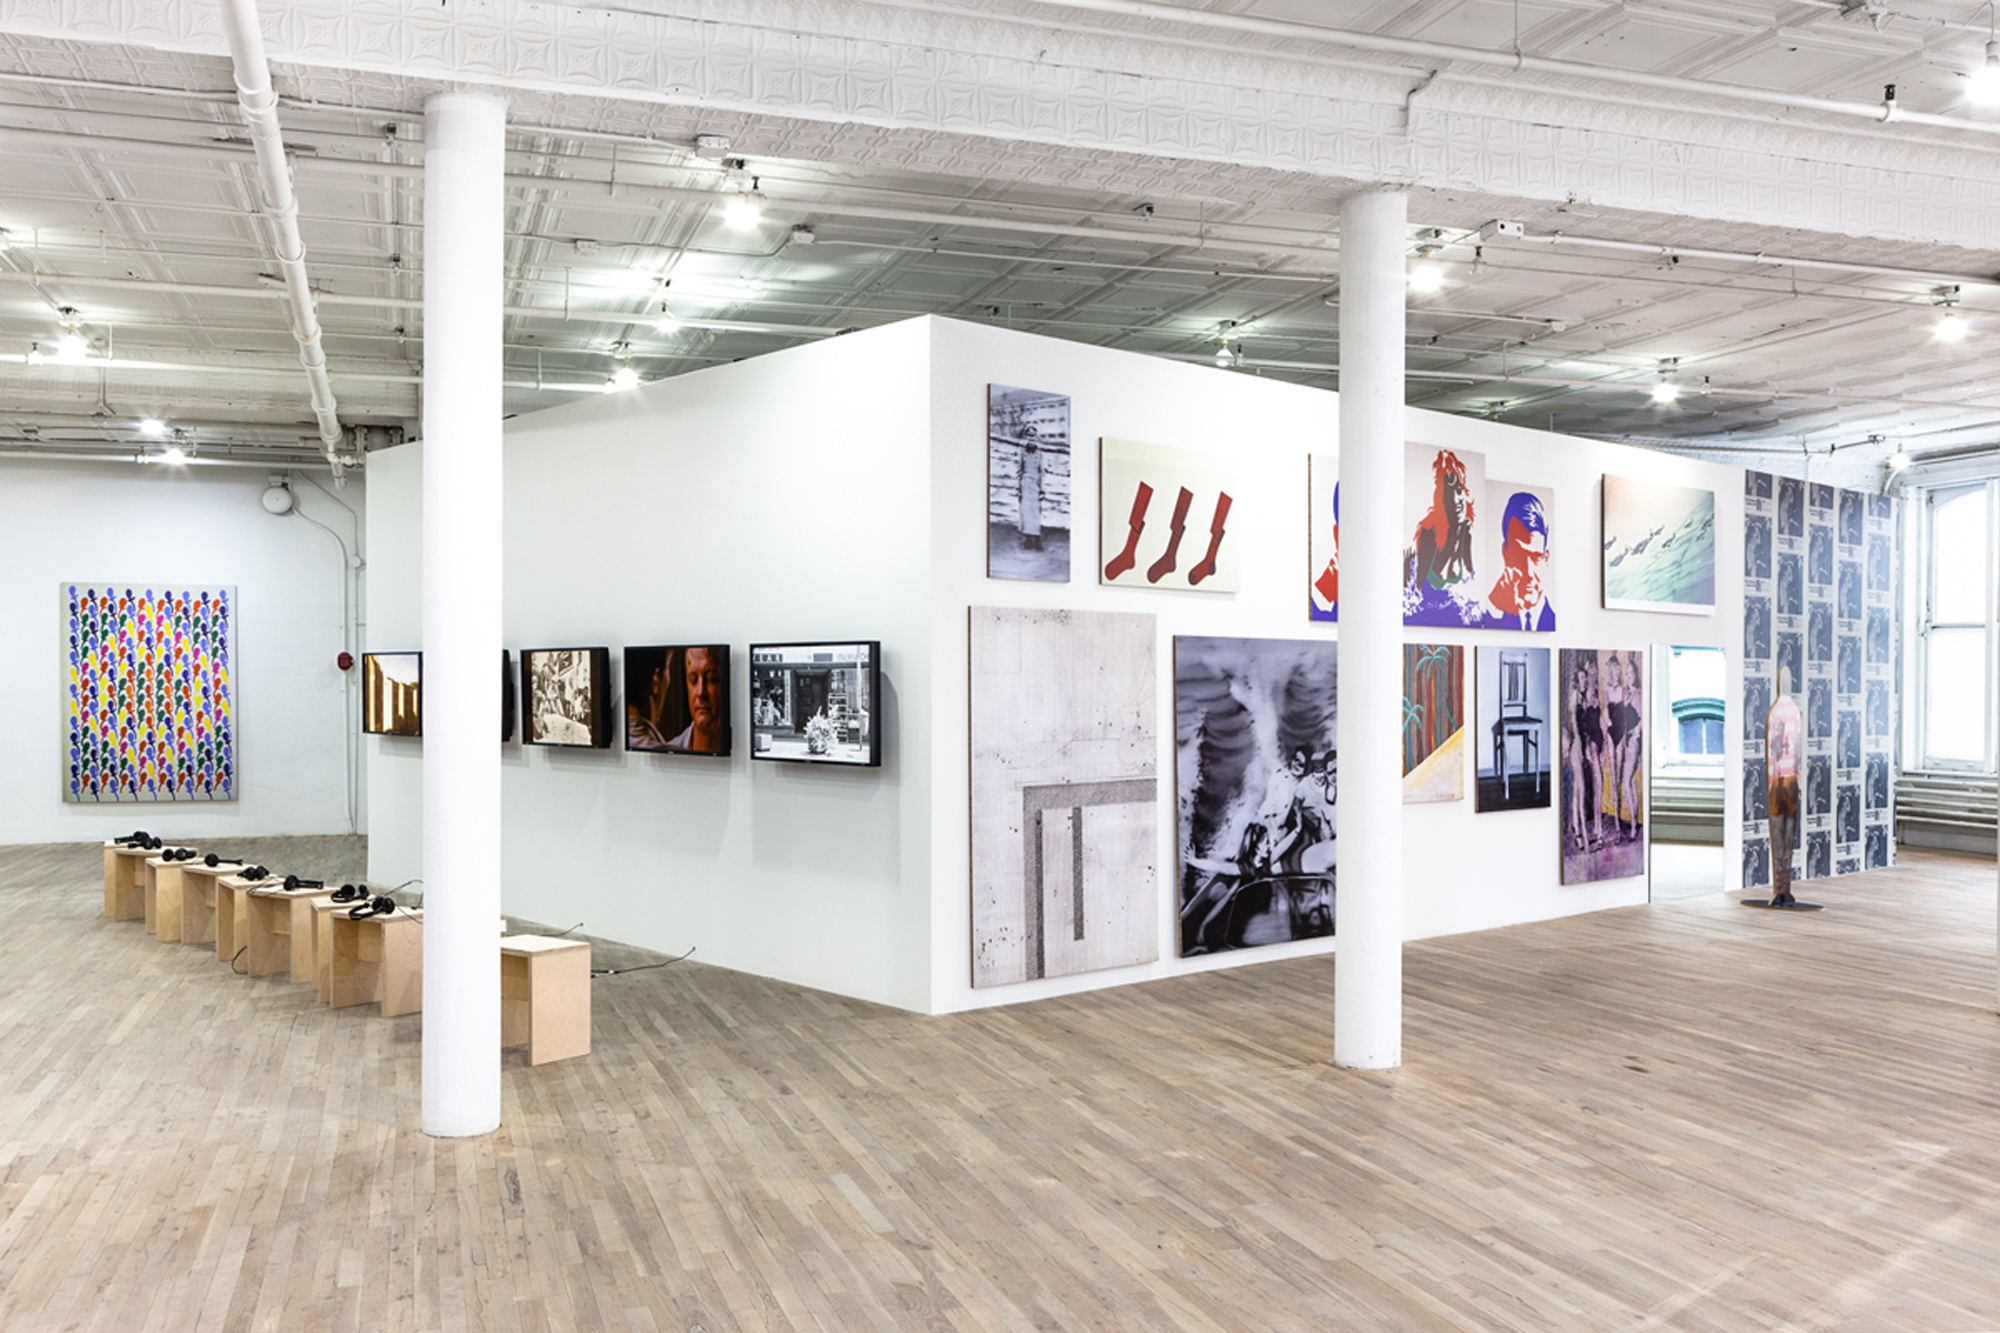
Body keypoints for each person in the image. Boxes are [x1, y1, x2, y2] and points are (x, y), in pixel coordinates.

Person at [1479, 491, 1554, 630]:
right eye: (1519, 556)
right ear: (1505, 553)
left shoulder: (1558, 621)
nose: (1529, 572)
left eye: (1536, 558)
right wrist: (1493, 606)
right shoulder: (1489, 616)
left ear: (1546, 558)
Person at [1765, 669, 1804, 905]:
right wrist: (1797, 776)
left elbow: (1772, 750)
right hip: (1792, 780)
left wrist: (1772, 781)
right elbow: (1797, 749)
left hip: (1779, 780)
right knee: (1787, 836)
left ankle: (1781, 889)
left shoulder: (1775, 712)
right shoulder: (1795, 711)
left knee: (1779, 837)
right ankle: (1784, 889)